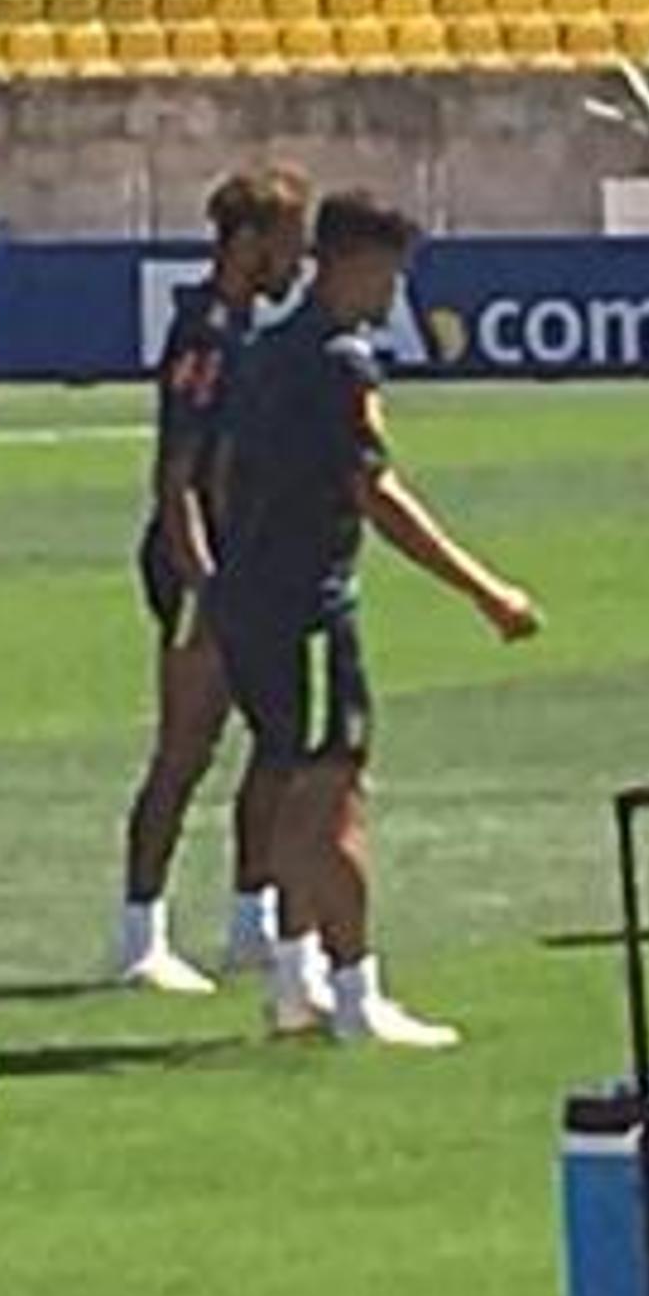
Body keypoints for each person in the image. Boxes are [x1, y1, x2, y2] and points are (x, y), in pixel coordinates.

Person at [206, 192, 542, 1048]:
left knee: (289, 786)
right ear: (353, 263)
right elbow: (376, 493)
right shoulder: (342, 361)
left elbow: (227, 471)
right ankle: (357, 995)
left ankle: (293, 981)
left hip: (250, 598)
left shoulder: (268, 350)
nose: (396, 291)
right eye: (391, 271)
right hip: (307, 604)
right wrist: (484, 589)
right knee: (335, 797)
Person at [110, 165, 308, 995]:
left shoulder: (248, 331)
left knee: (278, 742)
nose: (297, 264)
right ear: (250, 243)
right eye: (289, 245)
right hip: (207, 568)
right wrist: (202, 585)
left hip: (255, 563)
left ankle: (249, 921)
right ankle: (138, 933)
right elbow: (177, 475)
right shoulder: (203, 337)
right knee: (186, 751)